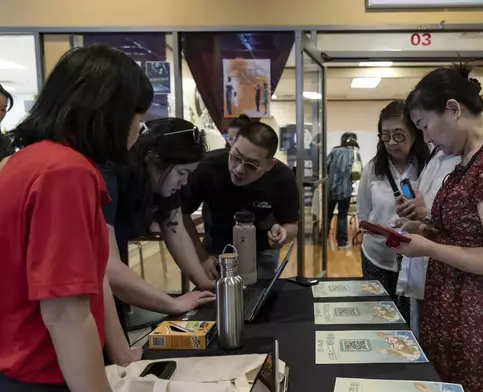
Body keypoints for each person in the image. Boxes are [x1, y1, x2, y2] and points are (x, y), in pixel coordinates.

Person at [0, 45, 153, 392]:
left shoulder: (23, 162)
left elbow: (90, 278)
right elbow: (66, 313)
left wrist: (118, 350)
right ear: (112, 113)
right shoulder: (66, 173)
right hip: (44, 372)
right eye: (138, 118)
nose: (137, 130)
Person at [393, 64, 483, 392]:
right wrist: (424, 228)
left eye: (425, 126)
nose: (426, 138)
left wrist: (428, 247)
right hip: (456, 307)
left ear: (453, 109)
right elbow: (465, 233)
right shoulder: (469, 158)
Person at [100, 117, 217, 339]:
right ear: (153, 160)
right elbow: (108, 267)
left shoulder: (162, 186)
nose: (184, 182)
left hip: (109, 280)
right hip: (86, 284)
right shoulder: (112, 179)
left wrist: (203, 283)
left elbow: (175, 229)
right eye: (182, 173)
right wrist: (172, 304)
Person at [180, 121, 299, 279]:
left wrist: (283, 235)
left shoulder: (282, 177)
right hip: (215, 250)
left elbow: (291, 225)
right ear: (231, 145)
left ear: (269, 165)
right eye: (235, 157)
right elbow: (181, 213)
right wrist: (201, 256)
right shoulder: (207, 167)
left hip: (262, 251)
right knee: (214, 299)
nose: (239, 169)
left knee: (258, 299)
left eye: (251, 165)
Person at [357, 100, 432, 317]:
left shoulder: (428, 167)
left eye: (399, 135)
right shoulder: (373, 168)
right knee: (376, 315)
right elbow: (363, 212)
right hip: (377, 255)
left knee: (412, 317)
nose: (391, 142)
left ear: (415, 132)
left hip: (416, 258)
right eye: (385, 135)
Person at [393, 142, 460, 338]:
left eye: (425, 123)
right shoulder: (436, 154)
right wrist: (415, 215)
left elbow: (465, 224)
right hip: (422, 263)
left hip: (450, 273)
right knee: (420, 335)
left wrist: (425, 216)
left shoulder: (478, 158)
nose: (427, 135)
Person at [327, 133, 361, 249]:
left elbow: (326, 166)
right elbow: (358, 172)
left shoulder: (334, 151)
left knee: (328, 215)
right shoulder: (355, 153)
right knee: (342, 215)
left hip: (330, 189)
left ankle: (322, 240)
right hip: (345, 190)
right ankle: (341, 242)